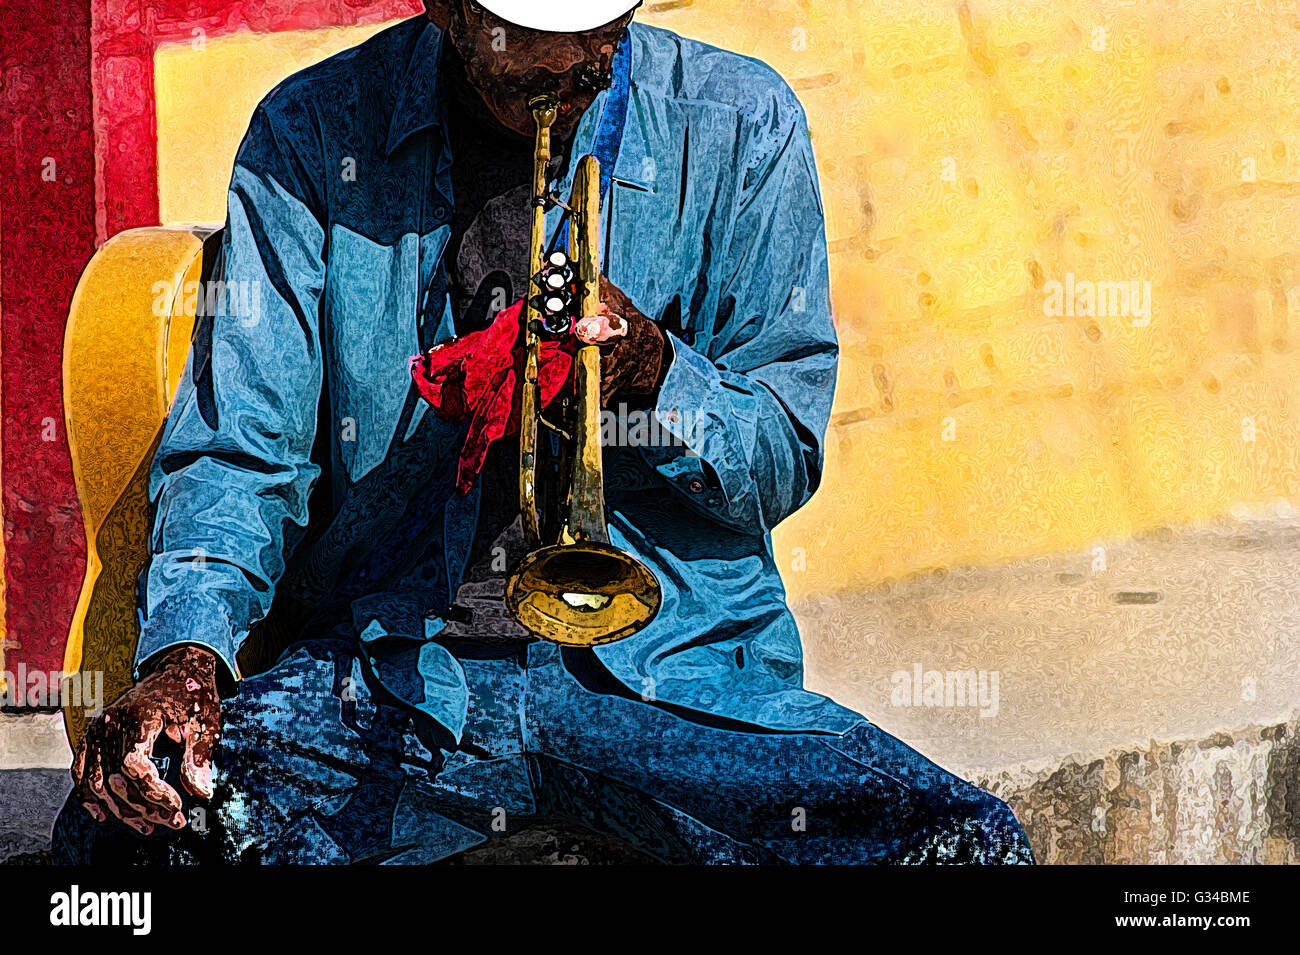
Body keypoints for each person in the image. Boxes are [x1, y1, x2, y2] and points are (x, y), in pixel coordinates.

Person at [54, 0, 1033, 864]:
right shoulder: (310, 134)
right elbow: (240, 451)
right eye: (529, 38)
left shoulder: (742, 123)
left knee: (969, 844)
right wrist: (183, 662)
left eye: (599, 33)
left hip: (670, 680)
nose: (568, 67)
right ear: (443, 6)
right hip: (387, 673)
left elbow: (783, 449)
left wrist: (658, 374)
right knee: (119, 839)